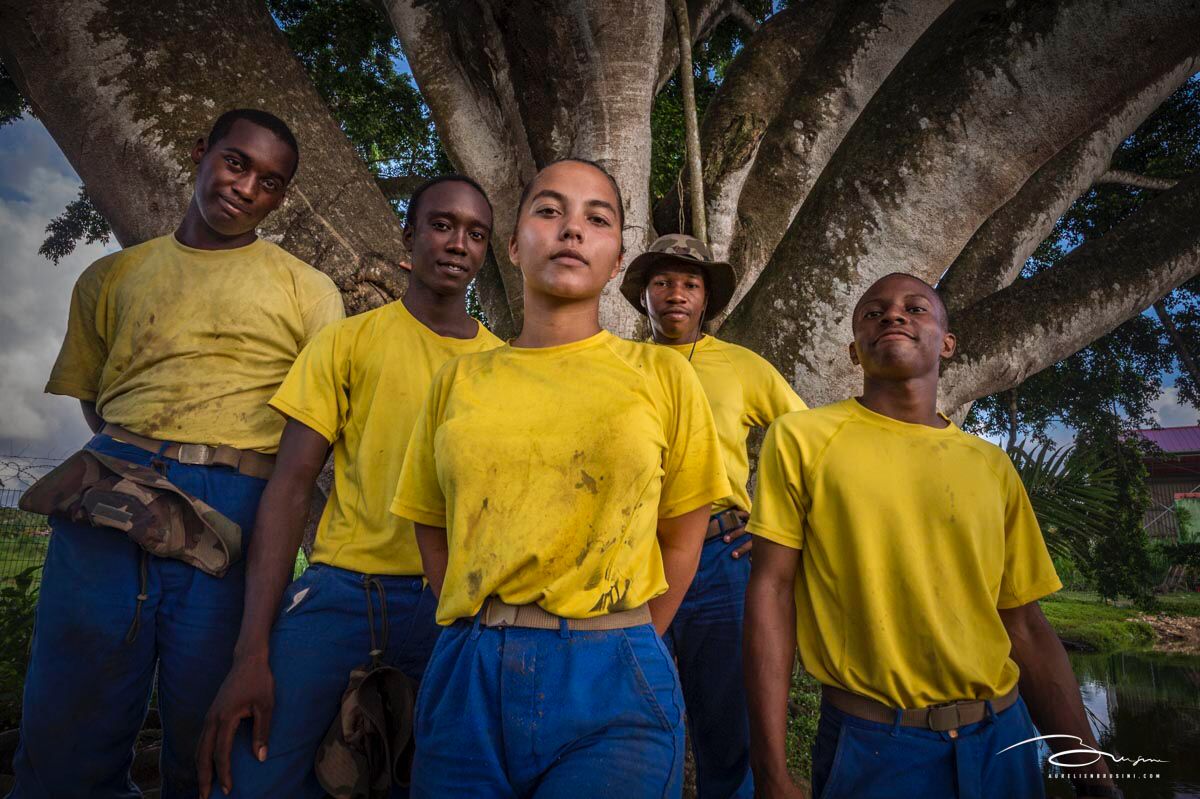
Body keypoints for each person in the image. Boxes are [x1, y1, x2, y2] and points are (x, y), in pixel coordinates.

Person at [9, 109, 344, 799]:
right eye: (236, 163)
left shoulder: (308, 291)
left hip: (236, 510)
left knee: (211, 735)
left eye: (271, 183)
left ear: (280, 199)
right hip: (111, 493)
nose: (247, 187)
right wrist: (150, 457)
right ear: (201, 153)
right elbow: (96, 401)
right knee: (67, 723)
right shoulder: (112, 276)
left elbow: (311, 433)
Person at [391, 158, 731, 798]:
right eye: (549, 211)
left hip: (614, 671)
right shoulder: (459, 381)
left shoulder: (662, 378)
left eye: (596, 218)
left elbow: (683, 536)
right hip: (468, 670)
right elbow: (430, 524)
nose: (572, 230)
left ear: (615, 258)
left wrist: (624, 642)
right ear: (515, 246)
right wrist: (487, 618)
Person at [743, 272, 1121, 799]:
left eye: (915, 308)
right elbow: (772, 593)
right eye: (874, 312)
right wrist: (771, 771)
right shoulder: (803, 438)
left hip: (1003, 740)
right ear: (855, 352)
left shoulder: (989, 464)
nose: (893, 315)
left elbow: (1027, 629)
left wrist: (1094, 778)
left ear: (946, 343)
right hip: (874, 744)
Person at [194, 175, 502, 798]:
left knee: (430, 779)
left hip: (453, 609)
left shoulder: (505, 365)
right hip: (343, 592)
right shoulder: (346, 342)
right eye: (441, 225)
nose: (457, 244)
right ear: (408, 236)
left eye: (476, 234)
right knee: (254, 772)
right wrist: (252, 647)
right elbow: (290, 486)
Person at [618, 234, 806, 798]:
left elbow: (807, 444)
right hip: (631, 555)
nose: (676, 293)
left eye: (690, 284)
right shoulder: (617, 362)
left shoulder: (743, 366)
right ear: (643, 296)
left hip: (721, 558)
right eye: (663, 282)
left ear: (706, 300)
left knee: (727, 715)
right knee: (631, 707)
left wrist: (774, 526)